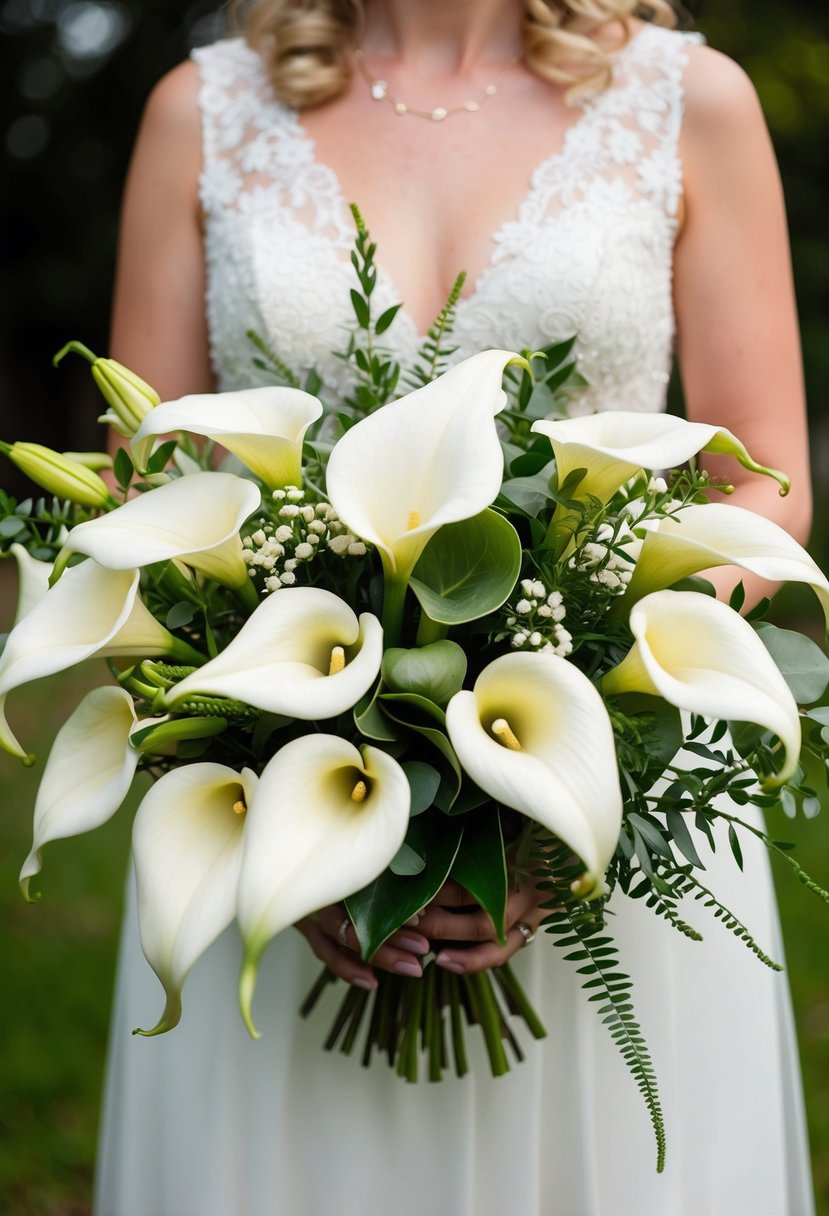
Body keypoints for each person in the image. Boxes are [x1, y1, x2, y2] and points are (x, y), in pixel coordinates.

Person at [95, 1, 815, 1213]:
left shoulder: (691, 101)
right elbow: (140, 499)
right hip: (266, 818)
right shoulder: (200, 112)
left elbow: (764, 483)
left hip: (601, 838)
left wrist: (566, 787)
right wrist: (297, 829)